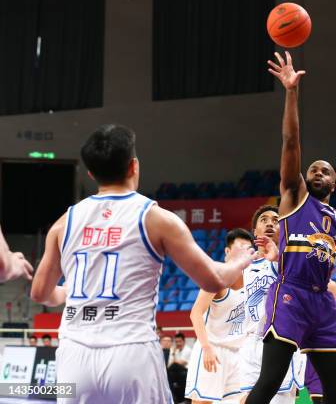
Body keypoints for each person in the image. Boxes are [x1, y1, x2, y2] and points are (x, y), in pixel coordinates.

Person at [30, 124, 254, 404]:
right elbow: (214, 280)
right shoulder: (156, 217)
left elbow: (40, 294)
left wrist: (69, 290)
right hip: (130, 351)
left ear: (91, 173)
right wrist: (242, 260)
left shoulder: (65, 222)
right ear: (134, 166)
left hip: (74, 354)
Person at [245, 52, 336, 404]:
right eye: (313, 169)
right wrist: (291, 92)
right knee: (270, 381)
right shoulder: (295, 195)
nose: (316, 173)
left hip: (322, 301)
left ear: (334, 183)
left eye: (325, 171)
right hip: (291, 294)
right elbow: (291, 142)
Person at [240, 207, 305, 404]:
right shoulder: (244, 266)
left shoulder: (290, 261)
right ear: (254, 231)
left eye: (276, 220)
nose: (269, 223)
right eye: (264, 219)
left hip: (280, 342)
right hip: (251, 343)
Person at [185, 229, 251, 403]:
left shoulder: (254, 281)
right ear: (227, 252)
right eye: (241, 247)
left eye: (248, 248)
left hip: (238, 353)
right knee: (202, 402)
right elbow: (196, 313)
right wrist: (206, 347)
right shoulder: (217, 277)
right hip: (212, 349)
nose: (245, 252)